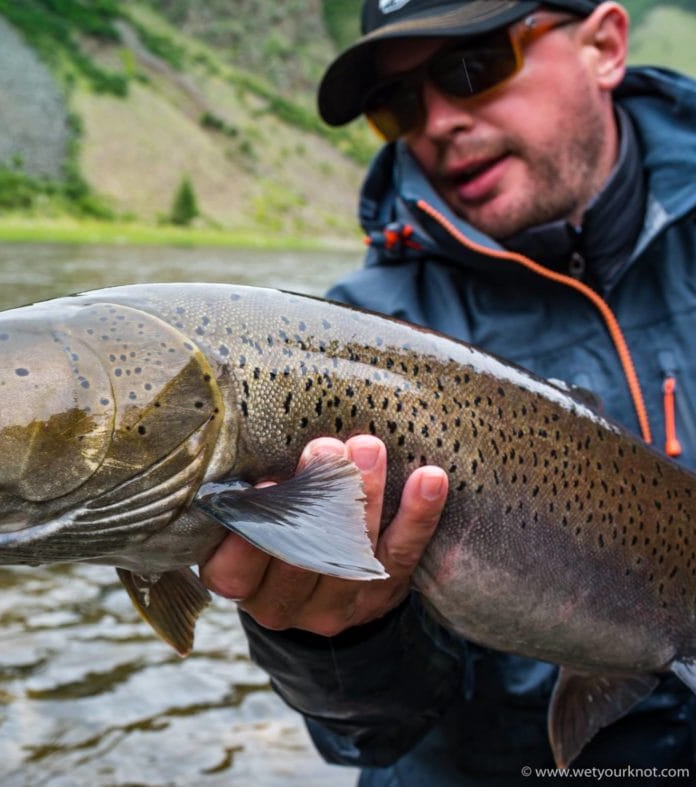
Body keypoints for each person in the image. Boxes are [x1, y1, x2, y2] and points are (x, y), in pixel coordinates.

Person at [199, 1, 696, 783]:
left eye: (473, 67)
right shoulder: (349, 341)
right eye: (396, 104)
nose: (435, 121)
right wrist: (334, 639)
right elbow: (377, 733)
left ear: (604, 45)